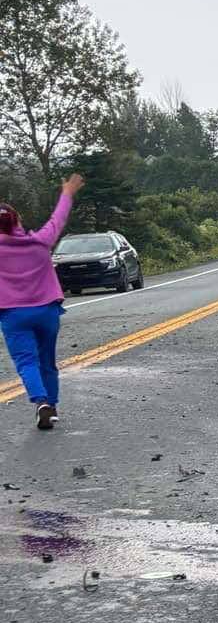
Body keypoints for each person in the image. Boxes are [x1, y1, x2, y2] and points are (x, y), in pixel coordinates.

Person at [0, 171, 86, 431]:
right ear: (17, 221)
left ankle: (41, 402)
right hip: (47, 312)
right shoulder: (41, 242)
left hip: (14, 315)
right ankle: (52, 405)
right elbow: (57, 219)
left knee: (27, 362)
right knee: (46, 360)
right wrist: (67, 193)